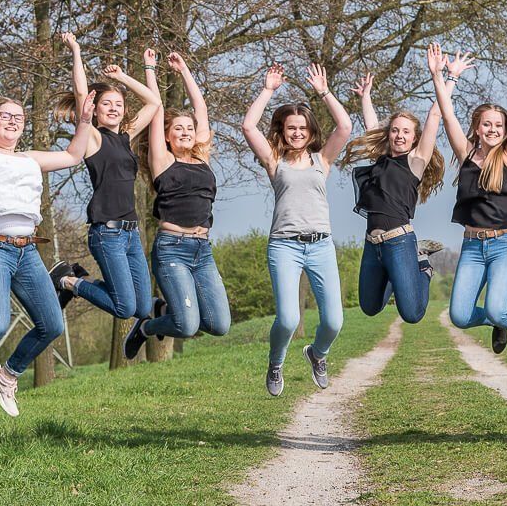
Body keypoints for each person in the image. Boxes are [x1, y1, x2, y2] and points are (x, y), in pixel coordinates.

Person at [0, 72, 91, 420]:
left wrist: (84, 121)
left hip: (26, 251)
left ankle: (7, 375)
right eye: (6, 117)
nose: (13, 122)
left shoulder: (31, 158)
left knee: (52, 324)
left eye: (19, 118)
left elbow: (73, 155)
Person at [241, 63, 352, 396]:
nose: (298, 133)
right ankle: (276, 363)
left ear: (310, 131)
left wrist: (324, 92)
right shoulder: (274, 160)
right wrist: (268, 89)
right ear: (282, 130)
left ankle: (317, 354)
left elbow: (345, 126)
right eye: (291, 128)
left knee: (334, 321)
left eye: (303, 128)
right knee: (288, 319)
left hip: (321, 246)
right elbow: (248, 126)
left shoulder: (323, 160)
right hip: (284, 246)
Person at [430, 42, 507, 371]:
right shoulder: (465, 155)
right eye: (486, 124)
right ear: (477, 127)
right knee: (460, 317)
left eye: (498, 126)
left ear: (504, 132)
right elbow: (447, 113)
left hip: (505, 244)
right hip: (472, 247)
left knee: (495, 308)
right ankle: (498, 322)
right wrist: (442, 76)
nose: (492, 129)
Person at [122, 51, 231, 358]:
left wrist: (184, 70)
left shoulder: (201, 157)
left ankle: (162, 311)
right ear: (168, 137)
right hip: (172, 248)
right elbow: (156, 111)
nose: (185, 132)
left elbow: (202, 108)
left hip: (203, 249)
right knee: (185, 326)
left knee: (219, 325)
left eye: (189, 128)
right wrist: (150, 69)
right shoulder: (163, 160)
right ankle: (146, 327)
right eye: (178, 129)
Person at [50, 34, 163, 324]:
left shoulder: (126, 137)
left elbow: (153, 102)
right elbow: (79, 93)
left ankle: (75, 281)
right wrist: (75, 50)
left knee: (140, 309)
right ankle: (68, 281)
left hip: (131, 233)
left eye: (119, 104)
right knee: (124, 308)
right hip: (107, 233)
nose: (114, 108)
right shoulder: (92, 138)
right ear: (95, 108)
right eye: (106, 104)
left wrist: (124, 76)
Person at [337, 66, 462, 323]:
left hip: (400, 242)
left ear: (415, 138)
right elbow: (372, 125)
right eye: (395, 130)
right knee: (370, 307)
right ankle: (398, 275)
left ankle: (423, 267)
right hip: (373, 244)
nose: (399, 135)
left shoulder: (416, 161)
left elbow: (436, 114)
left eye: (406, 132)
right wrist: (365, 97)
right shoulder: (380, 158)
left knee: (412, 314)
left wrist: (449, 77)